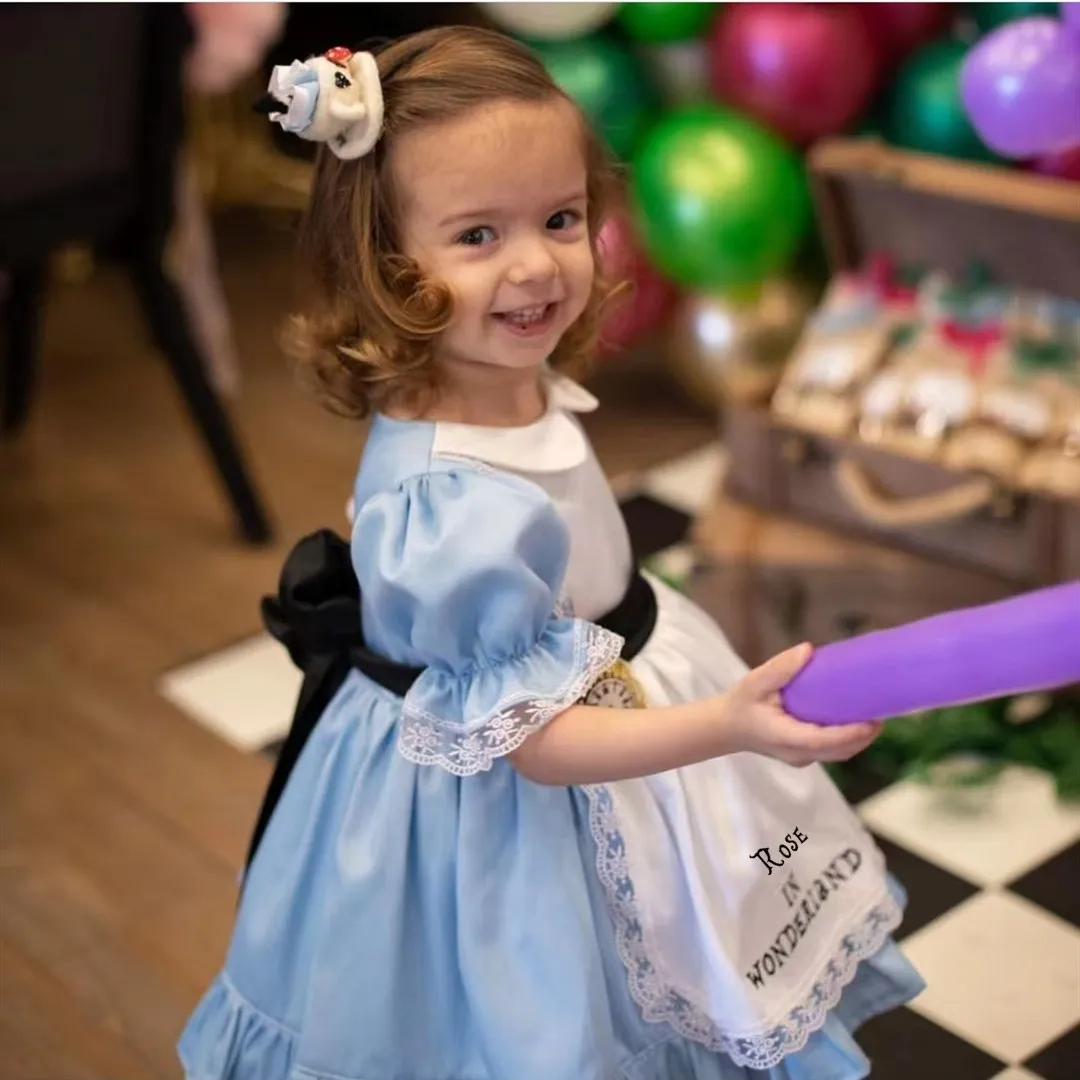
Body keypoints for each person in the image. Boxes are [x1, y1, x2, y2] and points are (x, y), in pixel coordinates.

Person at [179, 26, 924, 1080]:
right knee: (554, 1018)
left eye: (561, 218)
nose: (537, 263)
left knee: (680, 980)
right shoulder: (447, 503)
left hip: (600, 692)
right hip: (516, 790)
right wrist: (722, 725)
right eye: (478, 234)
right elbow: (531, 742)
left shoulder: (496, 370)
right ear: (385, 265)